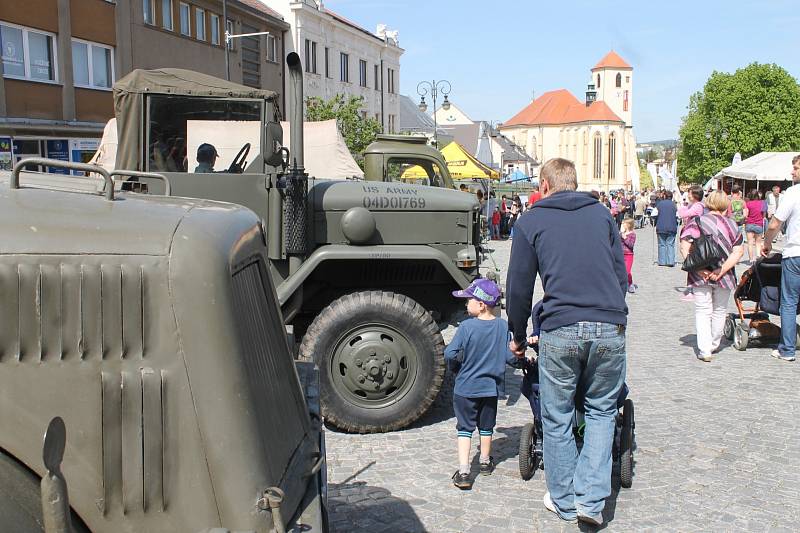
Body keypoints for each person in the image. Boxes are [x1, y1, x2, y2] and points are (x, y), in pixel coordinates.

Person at [506, 158, 628, 526]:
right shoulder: (603, 215)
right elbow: (621, 275)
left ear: (544, 184)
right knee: (602, 411)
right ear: (573, 182)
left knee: (556, 417)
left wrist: (517, 335)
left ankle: (564, 500)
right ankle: (592, 502)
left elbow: (519, 287)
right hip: (609, 323)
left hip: (561, 327)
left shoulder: (531, 222)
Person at [444, 278, 519, 489]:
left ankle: (464, 471)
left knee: (465, 429)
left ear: (481, 304)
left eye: (469, 300)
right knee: (486, 426)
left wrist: (455, 367)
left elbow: (450, 353)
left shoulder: (466, 327)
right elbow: (510, 357)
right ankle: (485, 462)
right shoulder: (503, 327)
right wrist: (521, 358)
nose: (466, 304)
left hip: (466, 388)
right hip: (491, 389)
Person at [679, 191, 744, 362]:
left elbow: (684, 246)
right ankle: (714, 343)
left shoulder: (697, 222)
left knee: (703, 310)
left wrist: (698, 269)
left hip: (700, 273)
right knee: (720, 310)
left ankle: (705, 349)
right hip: (725, 274)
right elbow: (738, 252)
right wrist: (721, 270)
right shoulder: (733, 225)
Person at [762, 155, 800, 362]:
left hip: (795, 253)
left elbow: (775, 223)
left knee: (789, 302)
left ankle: (787, 349)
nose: (792, 172)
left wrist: (767, 242)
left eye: (795, 168)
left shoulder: (793, 193)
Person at [655, 190, 678, 267]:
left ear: (664, 196)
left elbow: (654, 214)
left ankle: (662, 261)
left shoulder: (660, 204)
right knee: (670, 244)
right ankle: (670, 261)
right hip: (672, 227)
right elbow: (678, 215)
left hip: (661, 226)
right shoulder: (674, 205)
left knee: (662, 244)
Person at [744, 189, 765, 263]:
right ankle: (758, 258)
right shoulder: (763, 203)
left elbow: (745, 215)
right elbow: (764, 215)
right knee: (758, 243)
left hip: (749, 224)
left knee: (750, 243)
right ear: (757, 195)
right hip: (759, 225)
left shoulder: (748, 203)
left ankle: (751, 259)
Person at [621, 218, 637, 293]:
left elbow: (631, 245)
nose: (622, 225)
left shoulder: (632, 234)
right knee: (621, 270)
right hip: (621, 254)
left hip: (628, 255)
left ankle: (630, 284)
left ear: (628, 225)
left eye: (623, 223)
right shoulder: (620, 233)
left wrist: (625, 237)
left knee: (626, 271)